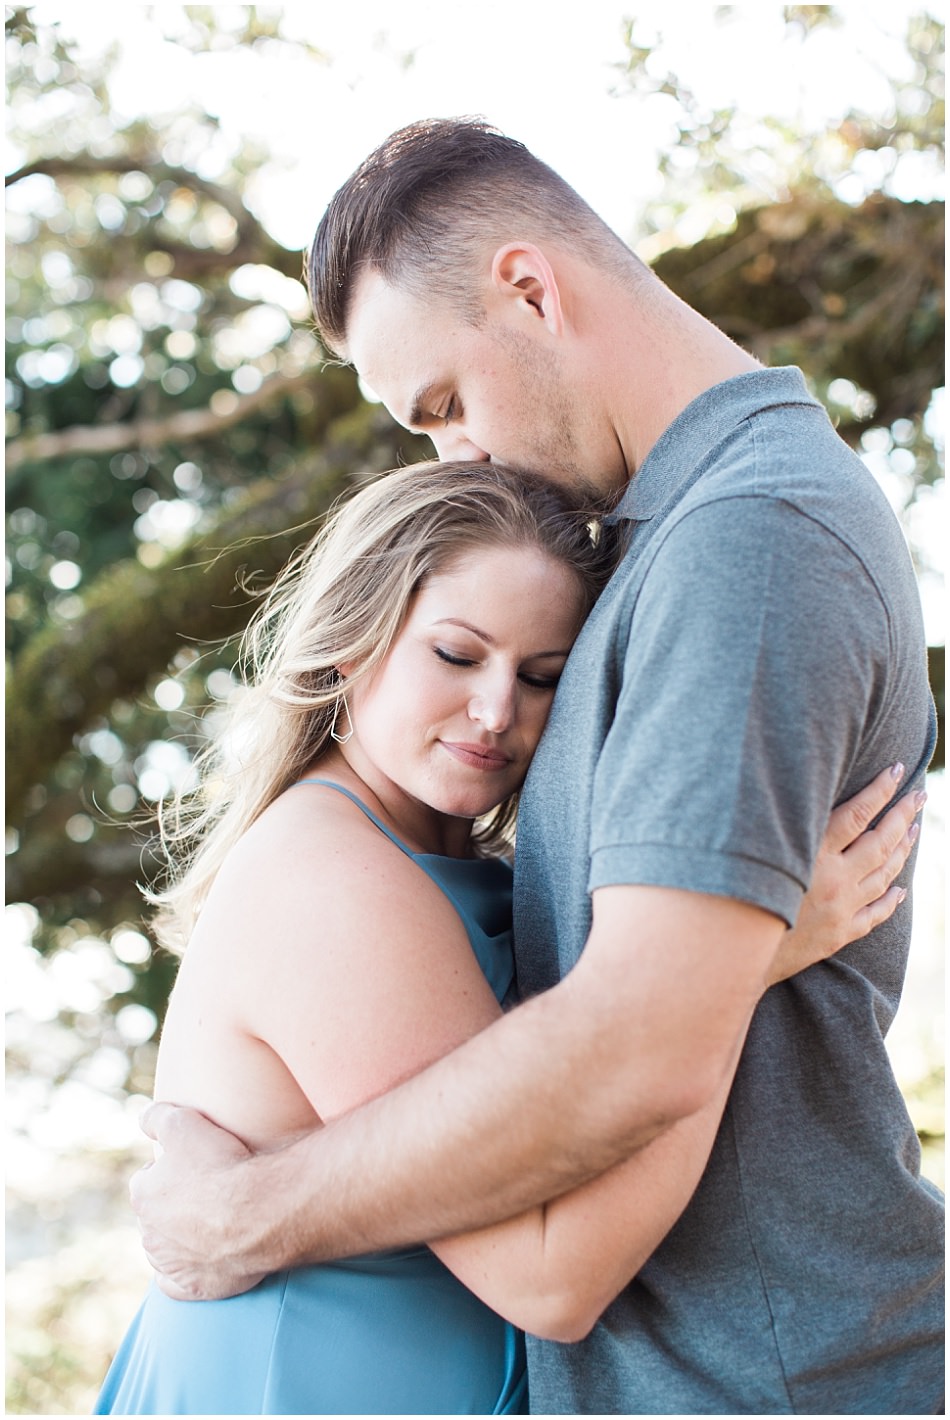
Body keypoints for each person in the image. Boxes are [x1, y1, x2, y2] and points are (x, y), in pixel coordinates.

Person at [132, 120, 943, 1414]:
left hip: (769, 1378)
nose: (457, 456)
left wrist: (241, 1214)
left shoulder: (743, 541)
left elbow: (642, 1045)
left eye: (445, 404)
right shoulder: (661, 540)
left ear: (528, 289)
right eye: (456, 653)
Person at [96, 459, 905, 1415]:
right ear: (351, 645)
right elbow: (550, 1275)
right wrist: (738, 955)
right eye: (456, 655)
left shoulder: (474, 867)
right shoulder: (329, 875)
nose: (495, 713)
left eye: (540, 676)